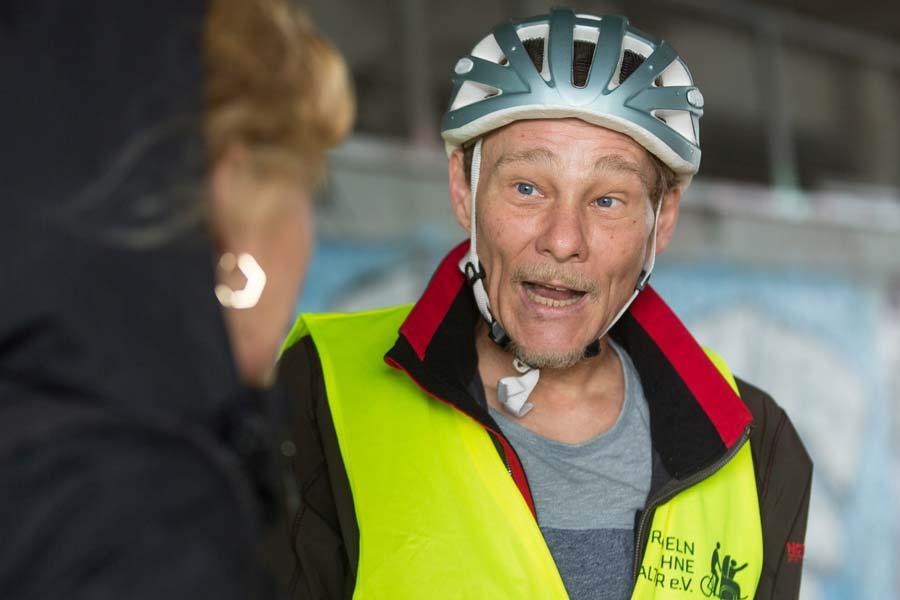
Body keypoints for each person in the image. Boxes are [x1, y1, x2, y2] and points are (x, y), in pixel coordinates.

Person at [277, 9, 811, 600]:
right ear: (464, 188)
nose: (563, 239)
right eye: (527, 188)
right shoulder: (320, 389)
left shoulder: (757, 443)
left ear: (663, 221)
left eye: (608, 200)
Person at [0, 1, 352, 598]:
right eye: (308, 191)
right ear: (232, 196)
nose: (307, 240)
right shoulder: (136, 520)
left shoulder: (42, 447)